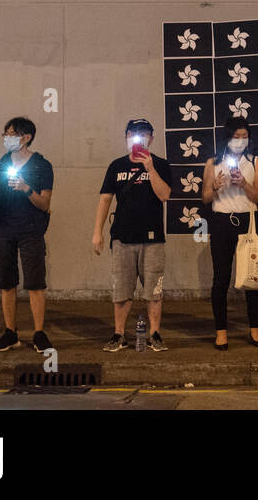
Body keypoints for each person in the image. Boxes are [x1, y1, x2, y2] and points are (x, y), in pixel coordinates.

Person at [92, 117, 172, 353]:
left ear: (152, 138)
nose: (139, 139)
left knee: (154, 289)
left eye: (144, 134)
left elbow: (164, 194)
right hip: (122, 237)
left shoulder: (161, 164)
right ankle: (118, 334)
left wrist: (150, 169)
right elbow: (105, 199)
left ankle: (154, 334)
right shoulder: (116, 166)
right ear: (126, 137)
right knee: (122, 289)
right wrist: (98, 232)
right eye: (133, 135)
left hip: (153, 238)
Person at [0, 116, 54, 353]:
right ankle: (10, 332)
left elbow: (44, 203)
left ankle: (39, 333)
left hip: (31, 230)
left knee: (35, 283)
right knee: (6, 283)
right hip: (4, 230)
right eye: (5, 134)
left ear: (26, 137)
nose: (7, 138)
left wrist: (26, 188)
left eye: (12, 134)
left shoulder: (41, 166)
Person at [200, 115, 258, 350]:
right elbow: (205, 198)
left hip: (248, 221)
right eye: (236, 137)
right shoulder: (212, 163)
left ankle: (254, 328)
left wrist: (244, 185)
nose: (240, 141)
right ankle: (221, 331)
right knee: (221, 278)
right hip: (221, 222)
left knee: (253, 278)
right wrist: (216, 187)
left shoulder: (255, 161)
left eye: (244, 137)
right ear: (227, 138)